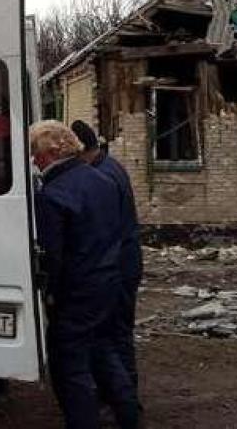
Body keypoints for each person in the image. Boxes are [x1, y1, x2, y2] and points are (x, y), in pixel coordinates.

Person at [30, 120, 139, 429]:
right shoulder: (103, 179)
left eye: (36, 153)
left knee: (70, 368)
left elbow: (53, 255)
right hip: (108, 282)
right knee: (105, 352)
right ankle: (130, 416)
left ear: (52, 153)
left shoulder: (53, 195)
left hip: (76, 293)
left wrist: (50, 293)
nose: (34, 160)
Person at [70, 120, 142, 401]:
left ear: (81, 151)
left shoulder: (101, 177)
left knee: (115, 335)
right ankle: (122, 395)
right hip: (125, 262)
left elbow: (101, 229)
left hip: (117, 266)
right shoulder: (111, 167)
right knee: (118, 332)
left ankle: (125, 398)